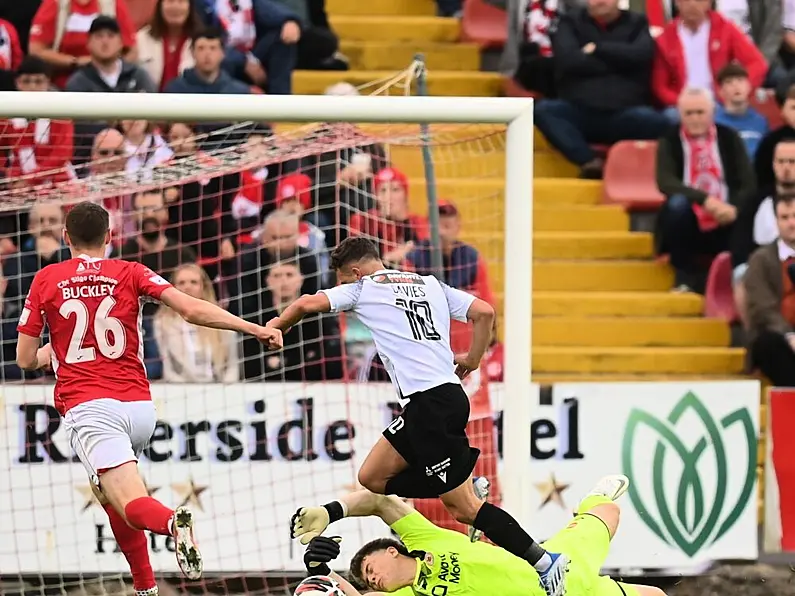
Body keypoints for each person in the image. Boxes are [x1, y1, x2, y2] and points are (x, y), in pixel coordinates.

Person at [267, 236, 569, 596]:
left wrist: (277, 325)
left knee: (465, 508)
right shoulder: (429, 283)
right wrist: (473, 358)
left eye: (344, 279)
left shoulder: (363, 288)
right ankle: (456, 474)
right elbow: (484, 312)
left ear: (356, 271)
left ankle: (546, 562)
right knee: (372, 477)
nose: (343, 286)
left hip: (430, 405)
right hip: (437, 401)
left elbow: (305, 302)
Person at [15, 202, 283, 590]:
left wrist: (49, 353)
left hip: (90, 406)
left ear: (65, 237)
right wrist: (254, 329)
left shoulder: (47, 278)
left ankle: (173, 522)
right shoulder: (131, 271)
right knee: (106, 491)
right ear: (110, 237)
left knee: (129, 502)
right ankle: (146, 586)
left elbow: (24, 358)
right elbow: (191, 309)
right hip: (139, 407)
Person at [292, 476, 668, 596]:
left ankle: (592, 498)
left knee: (608, 510)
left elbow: (378, 499)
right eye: (367, 580)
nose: (370, 577)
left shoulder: (426, 538)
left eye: (370, 567)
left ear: (393, 551)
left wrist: (331, 511)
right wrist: (319, 571)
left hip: (563, 573)